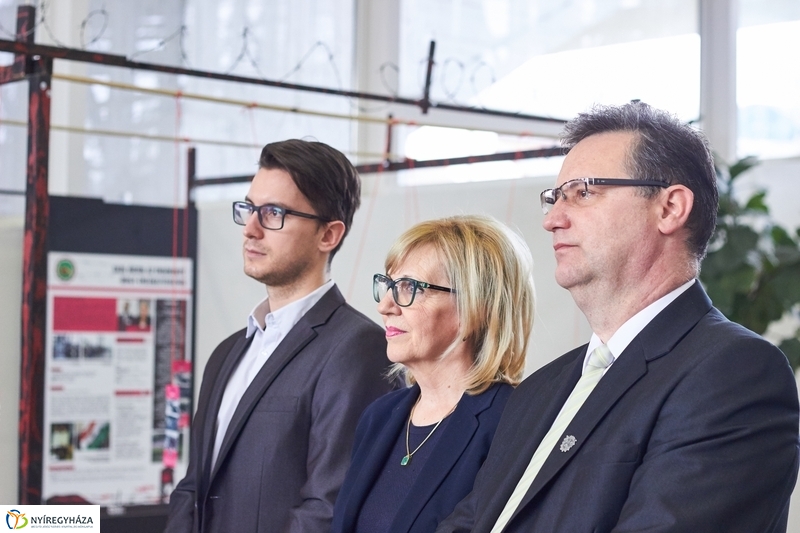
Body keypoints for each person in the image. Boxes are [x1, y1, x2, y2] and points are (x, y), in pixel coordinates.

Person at [436, 102, 800, 533]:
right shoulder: (539, 390)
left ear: (669, 208)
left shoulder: (733, 373)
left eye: (583, 192)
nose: (553, 219)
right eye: (555, 197)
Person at [165, 139, 396, 533]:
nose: (250, 229)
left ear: (328, 235)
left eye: (273, 213)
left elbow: (328, 508)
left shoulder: (358, 348)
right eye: (249, 209)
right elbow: (193, 488)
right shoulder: (227, 353)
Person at [331, 215, 536, 533]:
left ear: (475, 307)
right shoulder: (379, 416)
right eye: (389, 285)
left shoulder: (515, 420)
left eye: (409, 287)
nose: (385, 306)